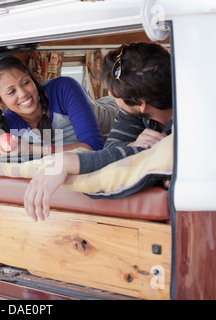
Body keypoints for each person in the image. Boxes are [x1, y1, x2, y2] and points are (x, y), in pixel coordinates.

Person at [24, 42, 173, 222]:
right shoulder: (132, 109)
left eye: (115, 92)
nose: (110, 93)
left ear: (140, 104)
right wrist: (133, 145)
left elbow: (149, 156)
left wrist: (67, 162)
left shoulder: (188, 124)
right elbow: (111, 148)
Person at [0, 55, 103, 156]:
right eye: (11, 92)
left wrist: (32, 149)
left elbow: (94, 146)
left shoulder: (64, 88)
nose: (23, 93)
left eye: (26, 82)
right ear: (0, 100)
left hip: (109, 111)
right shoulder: (9, 123)